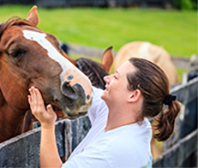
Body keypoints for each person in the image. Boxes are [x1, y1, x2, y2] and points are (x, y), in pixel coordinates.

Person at [28, 57, 181, 168]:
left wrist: (47, 125)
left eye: (116, 77)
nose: (106, 78)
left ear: (133, 95)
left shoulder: (112, 151)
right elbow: (85, 90)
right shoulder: (137, 123)